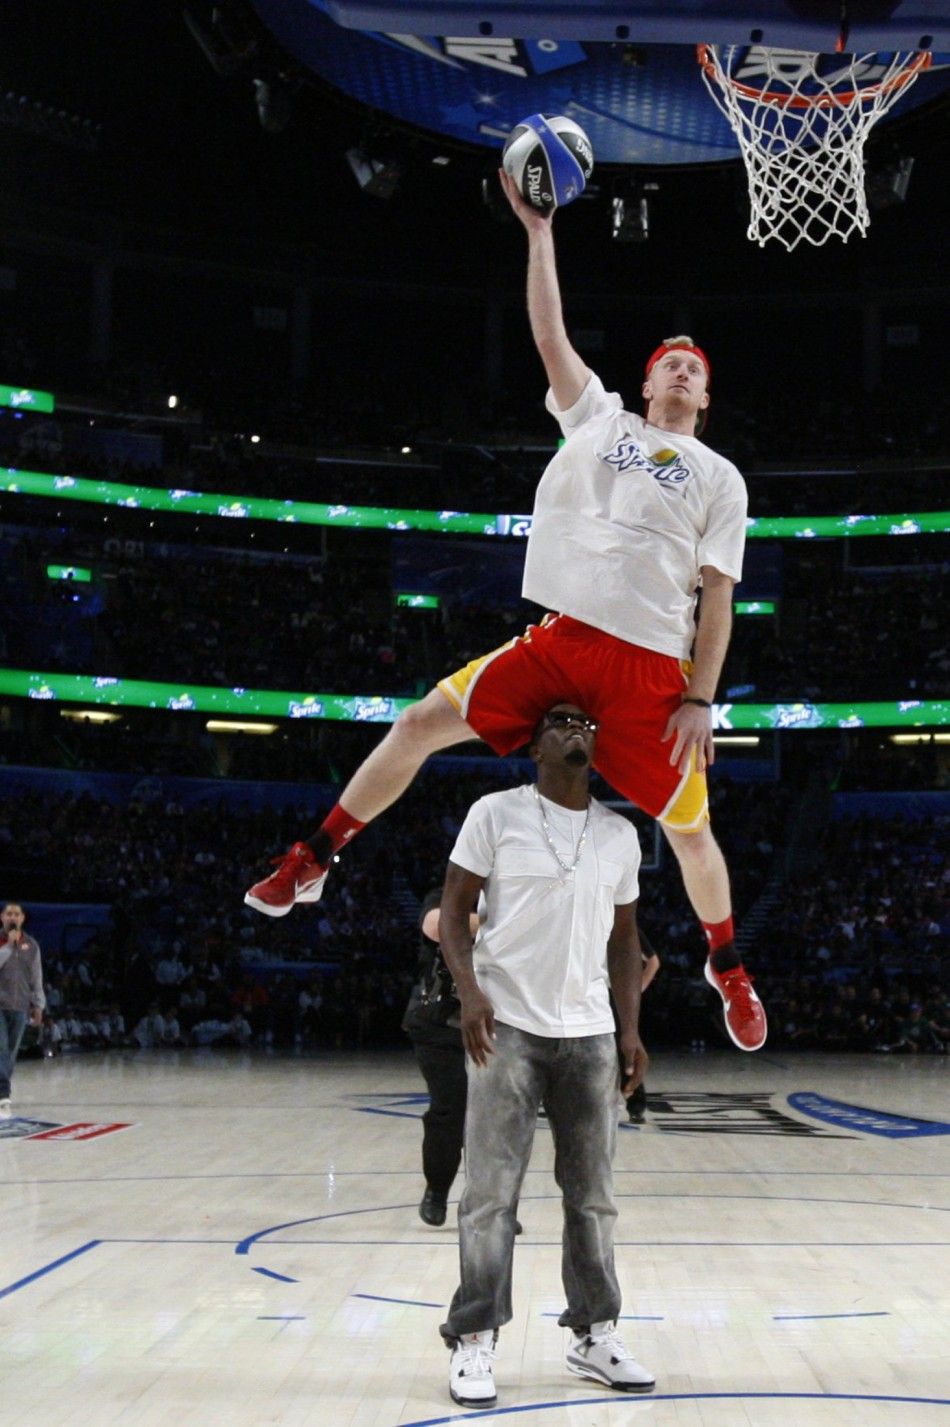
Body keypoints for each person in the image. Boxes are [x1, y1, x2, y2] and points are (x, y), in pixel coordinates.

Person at [244, 171, 766, 1054]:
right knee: (417, 722)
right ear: (647, 387)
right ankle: (316, 859)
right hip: (564, 641)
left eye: (695, 370)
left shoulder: (722, 479)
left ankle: (729, 965)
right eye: (668, 364)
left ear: (705, 400)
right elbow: (549, 332)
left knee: (693, 834)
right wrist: (536, 230)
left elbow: (718, 597)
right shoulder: (601, 421)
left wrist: (701, 697)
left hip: (652, 670)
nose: (680, 370)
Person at [437, 701, 653, 1408]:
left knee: (593, 1196)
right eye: (560, 721)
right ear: (532, 746)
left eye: (588, 722)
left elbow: (625, 942)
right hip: (508, 1025)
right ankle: (475, 1338)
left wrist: (629, 1029)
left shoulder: (620, 834)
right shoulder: (494, 814)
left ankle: (594, 1333)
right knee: (491, 1194)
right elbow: (453, 913)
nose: (577, 729)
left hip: (589, 1030)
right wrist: (469, 992)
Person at [401, 887, 476, 1226]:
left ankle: (494, 1204)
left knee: (500, 1118)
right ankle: (437, 1192)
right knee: (450, 1109)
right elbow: (434, 925)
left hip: (499, 1025)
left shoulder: (519, 895)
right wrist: (502, 921)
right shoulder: (445, 893)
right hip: (440, 1023)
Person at [0, 902, 46, 1117]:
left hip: (20, 1006)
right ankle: (3, 1094)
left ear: (22, 918)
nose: (12, 917)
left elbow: (36, 977)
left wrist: (38, 1005)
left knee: (11, 1052)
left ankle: (2, 1089)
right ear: (2, 917)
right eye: (8, 913)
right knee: (1, 1048)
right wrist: (8, 946)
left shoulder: (32, 945)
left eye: (16, 914)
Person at [624, 930, 660, 1123]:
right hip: (591, 994)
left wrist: (636, 991)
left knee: (628, 1051)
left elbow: (653, 962)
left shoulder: (629, 927)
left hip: (617, 996)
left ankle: (636, 1103)